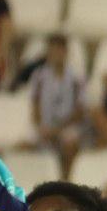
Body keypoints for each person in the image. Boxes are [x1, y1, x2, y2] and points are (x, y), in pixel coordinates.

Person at [28, 34, 87, 178]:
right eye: (52, 50)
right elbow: (35, 105)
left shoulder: (76, 77)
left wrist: (58, 129)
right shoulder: (39, 76)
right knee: (23, 146)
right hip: (45, 126)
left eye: (59, 50)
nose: (56, 54)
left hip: (67, 127)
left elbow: (80, 111)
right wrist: (40, 126)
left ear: (66, 52)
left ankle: (66, 180)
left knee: (70, 144)